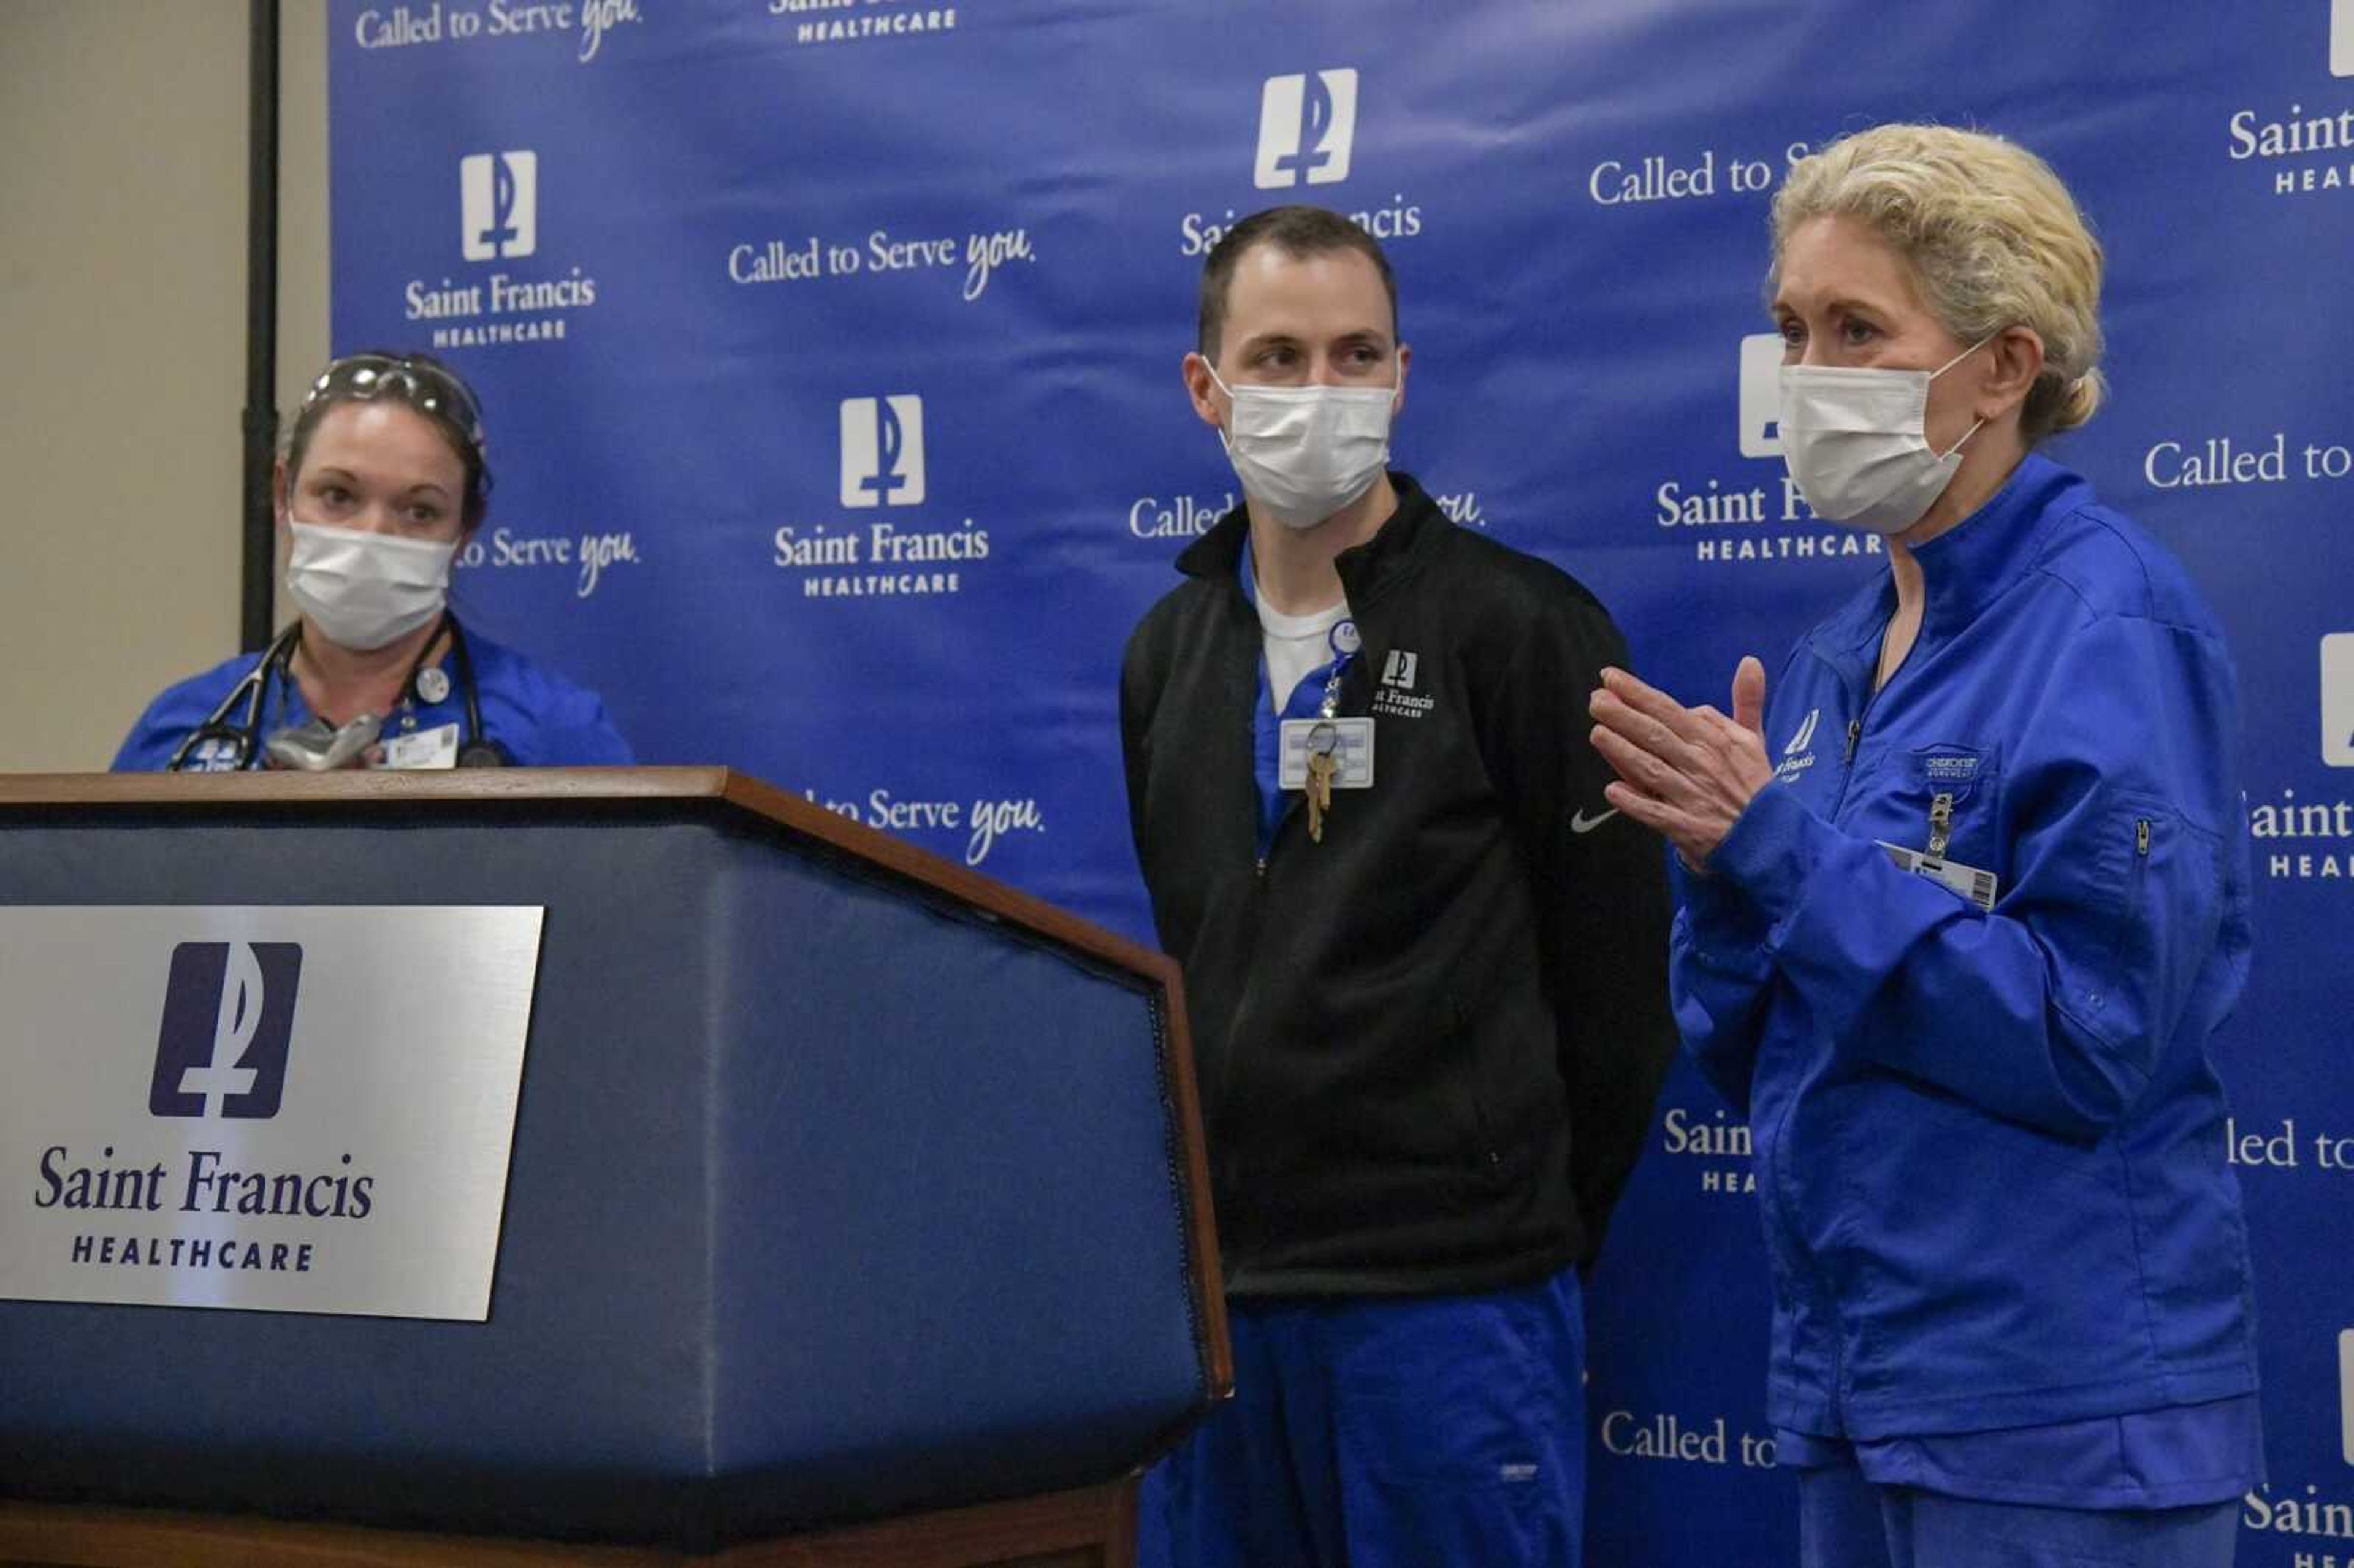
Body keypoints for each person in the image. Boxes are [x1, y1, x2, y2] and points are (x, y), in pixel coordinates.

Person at [1590, 124, 2260, 1567]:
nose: (1805, 370)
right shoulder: (1839, 657)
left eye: (1854, 328)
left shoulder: (2106, 627)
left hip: (2058, 1419)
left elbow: (2094, 1039)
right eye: (1788, 328)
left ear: (2003, 366)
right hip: (1858, 1382)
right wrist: (1718, 880)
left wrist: (1779, 858)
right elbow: (1749, 1044)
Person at [1120, 204, 1676, 1567]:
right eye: (1281, 357)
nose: (1323, 393)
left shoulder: (1524, 628)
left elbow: (1619, 998)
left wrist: (1498, 1214)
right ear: (1208, 389)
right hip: (1231, 1314)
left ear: (1403, 375)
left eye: (1357, 356)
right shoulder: (1166, 653)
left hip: (1452, 1307)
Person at [114, 352, 631, 772]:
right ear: (282, 496)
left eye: (420, 511)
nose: (371, 536)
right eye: (338, 495)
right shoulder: (183, 729)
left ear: (465, 531)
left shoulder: (554, 732)